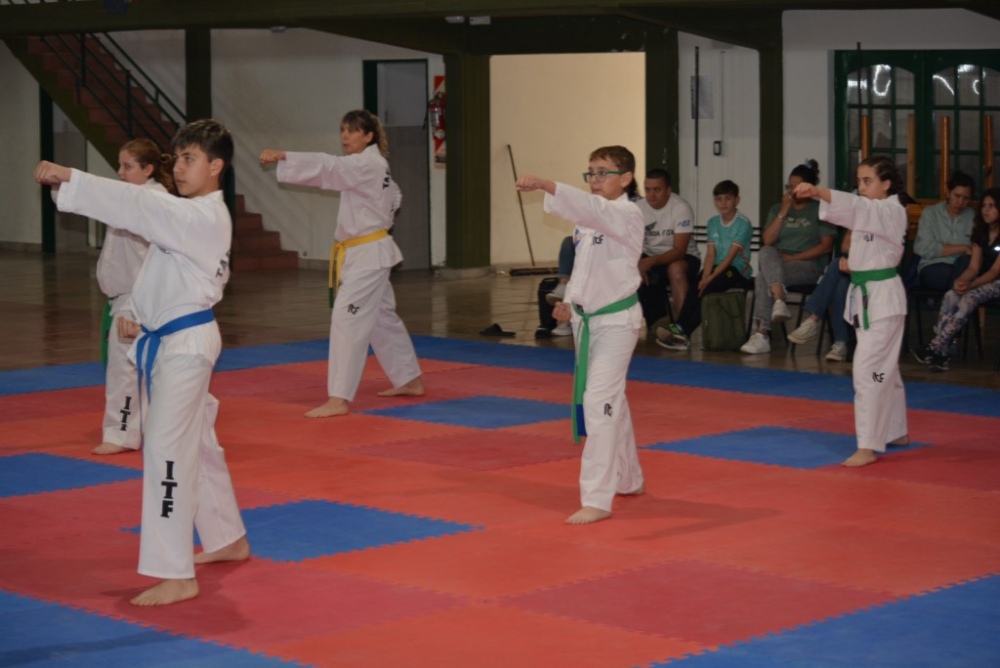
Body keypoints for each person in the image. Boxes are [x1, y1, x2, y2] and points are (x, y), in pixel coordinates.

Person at [34, 119, 250, 605]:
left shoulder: (200, 216)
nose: (181, 168)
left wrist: (72, 177)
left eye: (191, 159)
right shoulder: (190, 215)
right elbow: (162, 267)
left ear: (216, 166)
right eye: (179, 158)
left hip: (185, 347)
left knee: (166, 453)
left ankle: (176, 573)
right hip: (173, 338)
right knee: (199, 444)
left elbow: (140, 205)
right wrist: (141, 314)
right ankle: (227, 537)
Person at [259, 110, 423, 418]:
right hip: (368, 251)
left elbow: (329, 166)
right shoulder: (374, 166)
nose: (345, 136)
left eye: (352, 130)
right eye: (343, 130)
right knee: (381, 318)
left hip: (368, 255)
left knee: (347, 320)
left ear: (368, 136)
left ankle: (339, 398)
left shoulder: (366, 164)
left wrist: (286, 156)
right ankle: (409, 379)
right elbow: (395, 197)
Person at [515, 145, 645, 525]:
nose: (595, 180)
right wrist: (569, 302)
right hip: (587, 321)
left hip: (617, 322)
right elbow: (585, 268)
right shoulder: (586, 224)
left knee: (598, 400)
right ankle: (629, 477)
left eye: (603, 172)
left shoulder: (627, 214)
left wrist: (545, 183)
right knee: (611, 400)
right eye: (591, 172)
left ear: (625, 178)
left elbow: (592, 208)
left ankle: (597, 498)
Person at [792, 155, 910, 467]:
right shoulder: (874, 209)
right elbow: (861, 231)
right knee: (884, 369)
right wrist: (854, 265)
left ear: (887, 184)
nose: (861, 187)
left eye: (868, 181)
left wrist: (818, 191)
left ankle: (868, 446)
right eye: (859, 181)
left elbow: (858, 210)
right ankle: (896, 429)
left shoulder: (890, 210)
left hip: (882, 300)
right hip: (871, 296)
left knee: (868, 371)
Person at [94, 139, 175, 456]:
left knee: (125, 368)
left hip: (139, 298)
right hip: (127, 297)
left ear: (148, 169)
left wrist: (69, 181)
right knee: (138, 366)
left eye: (128, 166)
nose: (120, 171)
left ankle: (121, 434)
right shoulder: (134, 197)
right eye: (120, 165)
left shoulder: (151, 201)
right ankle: (146, 428)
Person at [741, 161, 837, 354]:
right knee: (766, 251)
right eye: (789, 187)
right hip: (778, 263)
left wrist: (792, 259)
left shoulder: (820, 210)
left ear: (809, 188)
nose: (792, 192)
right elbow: (768, 240)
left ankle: (762, 333)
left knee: (763, 277)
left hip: (808, 265)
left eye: (797, 187)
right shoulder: (778, 208)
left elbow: (826, 247)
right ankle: (778, 301)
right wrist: (784, 210)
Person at [657, 179, 752, 350]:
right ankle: (678, 328)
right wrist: (705, 276)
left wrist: (709, 279)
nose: (723, 203)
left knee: (707, 290)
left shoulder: (743, 223)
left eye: (728, 198)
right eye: (719, 199)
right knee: (696, 286)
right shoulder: (713, 222)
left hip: (736, 269)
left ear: (737, 200)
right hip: (717, 267)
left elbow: (730, 258)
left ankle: (684, 335)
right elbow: (710, 254)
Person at [913, 187, 1000, 371]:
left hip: (996, 282)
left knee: (970, 297)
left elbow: (994, 271)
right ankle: (942, 355)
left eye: (992, 206)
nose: (986, 210)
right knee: (951, 295)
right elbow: (974, 267)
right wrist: (961, 281)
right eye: (984, 206)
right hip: (980, 281)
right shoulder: (980, 233)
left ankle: (935, 346)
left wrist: (971, 285)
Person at [634, 169, 699, 339]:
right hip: (650, 255)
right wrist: (638, 263)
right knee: (624, 267)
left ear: (668, 190)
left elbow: (679, 250)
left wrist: (649, 262)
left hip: (684, 257)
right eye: (648, 190)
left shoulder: (681, 208)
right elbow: (632, 244)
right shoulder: (638, 208)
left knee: (675, 269)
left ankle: (682, 330)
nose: (651, 195)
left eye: (657, 189)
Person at [786, 230, 853, 362]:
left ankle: (813, 319)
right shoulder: (857, 225)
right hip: (852, 270)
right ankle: (840, 344)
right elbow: (844, 247)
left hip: (873, 274)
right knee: (841, 283)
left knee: (836, 265)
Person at [913, 171, 976, 292]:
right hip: (933, 265)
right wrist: (963, 248)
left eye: (965, 198)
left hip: (963, 267)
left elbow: (976, 250)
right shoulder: (931, 213)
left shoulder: (972, 216)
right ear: (948, 192)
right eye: (957, 196)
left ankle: (950, 301)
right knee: (948, 275)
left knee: (965, 265)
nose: (960, 202)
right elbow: (923, 247)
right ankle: (955, 298)